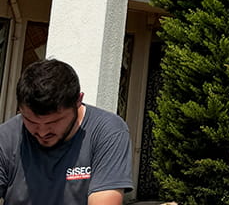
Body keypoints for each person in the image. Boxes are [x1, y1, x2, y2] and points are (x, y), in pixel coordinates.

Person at [0, 59, 133, 204]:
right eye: (30, 121)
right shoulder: (6, 137)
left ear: (78, 101)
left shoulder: (108, 132)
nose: (42, 132)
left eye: (53, 122)